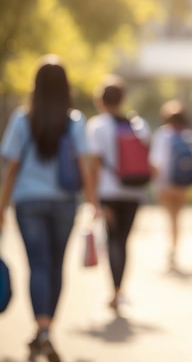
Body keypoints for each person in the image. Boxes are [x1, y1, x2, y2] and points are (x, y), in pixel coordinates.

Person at [0, 54, 98, 361]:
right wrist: (93, 202)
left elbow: (11, 168)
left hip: (27, 203)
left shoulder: (21, 119)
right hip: (64, 204)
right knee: (56, 266)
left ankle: (41, 330)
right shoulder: (75, 121)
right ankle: (46, 331)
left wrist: (1, 206)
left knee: (38, 265)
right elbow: (83, 167)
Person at [86, 75, 151, 312]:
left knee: (113, 239)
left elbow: (94, 164)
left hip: (109, 192)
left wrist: (91, 198)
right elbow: (148, 157)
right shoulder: (138, 123)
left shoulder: (98, 125)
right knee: (123, 240)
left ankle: (114, 291)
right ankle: (120, 290)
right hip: (134, 191)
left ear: (101, 100)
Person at [149, 99, 192, 269]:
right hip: (182, 185)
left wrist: (154, 180)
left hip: (166, 184)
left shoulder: (163, 135)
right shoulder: (188, 135)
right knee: (177, 219)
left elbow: (157, 161)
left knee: (169, 219)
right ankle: (174, 249)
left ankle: (170, 250)